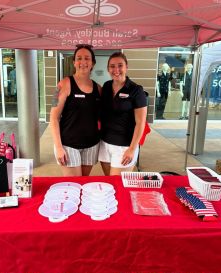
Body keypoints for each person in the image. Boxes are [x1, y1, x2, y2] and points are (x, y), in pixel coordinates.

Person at [49, 44, 101, 177]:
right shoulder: (63, 84)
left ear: (93, 63)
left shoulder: (98, 88)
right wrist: (59, 147)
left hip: (91, 145)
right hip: (68, 145)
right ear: (74, 62)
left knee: (84, 183)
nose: (83, 62)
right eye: (79, 58)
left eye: (87, 58)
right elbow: (53, 117)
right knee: (74, 185)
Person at [99, 52, 147, 176]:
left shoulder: (136, 90)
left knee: (118, 185)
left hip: (124, 146)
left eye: (120, 65)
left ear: (126, 67)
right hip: (104, 144)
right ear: (108, 69)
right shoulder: (106, 86)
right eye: (112, 66)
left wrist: (131, 149)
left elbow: (140, 123)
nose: (116, 70)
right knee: (109, 183)